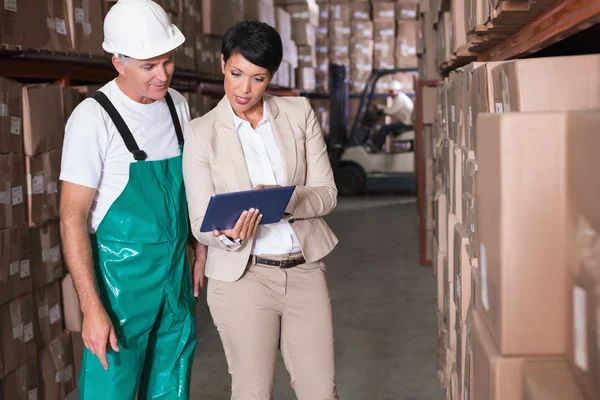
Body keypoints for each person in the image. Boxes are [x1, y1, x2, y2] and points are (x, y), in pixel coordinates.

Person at [182, 20, 340, 400]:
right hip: (243, 278)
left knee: (321, 392)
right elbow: (202, 222)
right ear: (223, 64)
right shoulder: (201, 132)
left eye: (258, 78)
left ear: (271, 78)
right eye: (236, 74)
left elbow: (328, 194)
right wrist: (230, 236)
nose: (244, 88)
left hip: (303, 270)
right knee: (252, 392)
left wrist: (287, 200)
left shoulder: (298, 113)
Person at [59, 0, 206, 398]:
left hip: (174, 280)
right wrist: (92, 308)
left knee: (173, 385)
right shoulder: (94, 119)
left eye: (168, 62)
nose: (163, 76)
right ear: (118, 62)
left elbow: (187, 187)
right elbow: (72, 217)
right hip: (119, 289)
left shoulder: (176, 105)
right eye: (149, 66)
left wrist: (198, 247)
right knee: (112, 390)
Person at [372, 79, 415, 150]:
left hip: (406, 124)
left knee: (385, 128)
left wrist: (380, 108)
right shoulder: (399, 98)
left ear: (397, 90)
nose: (390, 93)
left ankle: (376, 148)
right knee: (387, 128)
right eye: (389, 91)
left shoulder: (400, 98)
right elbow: (391, 109)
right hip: (405, 122)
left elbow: (391, 111)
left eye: (391, 91)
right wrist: (380, 107)